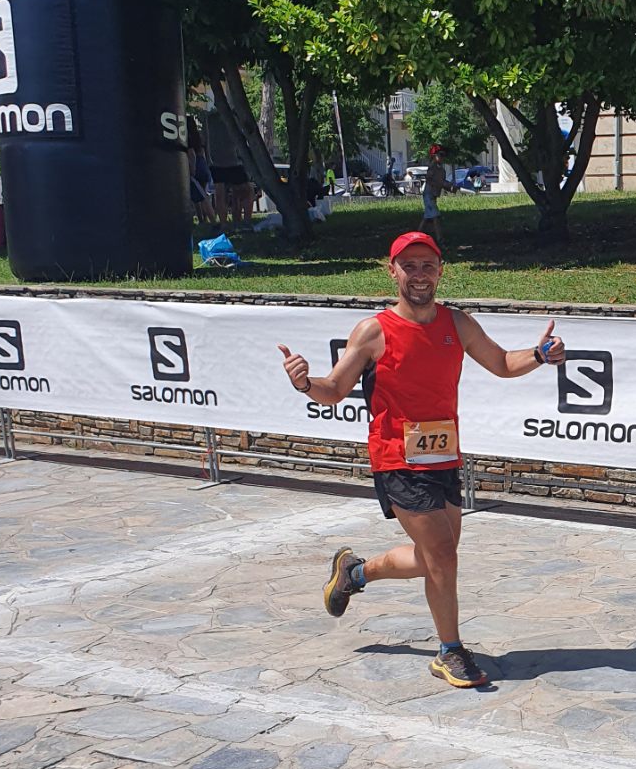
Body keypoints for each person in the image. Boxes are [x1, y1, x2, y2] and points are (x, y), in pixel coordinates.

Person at [277, 231, 565, 688]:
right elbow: (334, 390)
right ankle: (450, 651)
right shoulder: (374, 331)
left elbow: (502, 363)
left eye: (427, 265)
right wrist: (304, 383)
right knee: (443, 555)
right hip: (397, 457)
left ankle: (354, 572)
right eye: (408, 265)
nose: (419, 274)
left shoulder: (457, 323)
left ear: (440, 271)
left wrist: (538, 355)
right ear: (391, 271)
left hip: (444, 456)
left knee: (433, 558)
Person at [186, 119, 217, 224]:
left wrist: (192, 169)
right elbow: (203, 152)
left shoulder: (187, 138)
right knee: (201, 193)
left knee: (199, 197)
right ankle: (205, 218)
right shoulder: (198, 137)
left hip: (195, 165)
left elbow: (191, 154)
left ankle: (205, 220)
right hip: (202, 164)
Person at [421, 145, 447, 247]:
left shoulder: (441, 169)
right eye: (440, 155)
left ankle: (417, 235)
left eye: (444, 155)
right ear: (434, 156)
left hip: (433, 195)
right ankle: (440, 240)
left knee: (427, 218)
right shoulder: (432, 167)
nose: (443, 157)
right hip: (429, 195)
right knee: (436, 217)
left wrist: (449, 186)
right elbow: (430, 179)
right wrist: (442, 184)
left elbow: (442, 182)